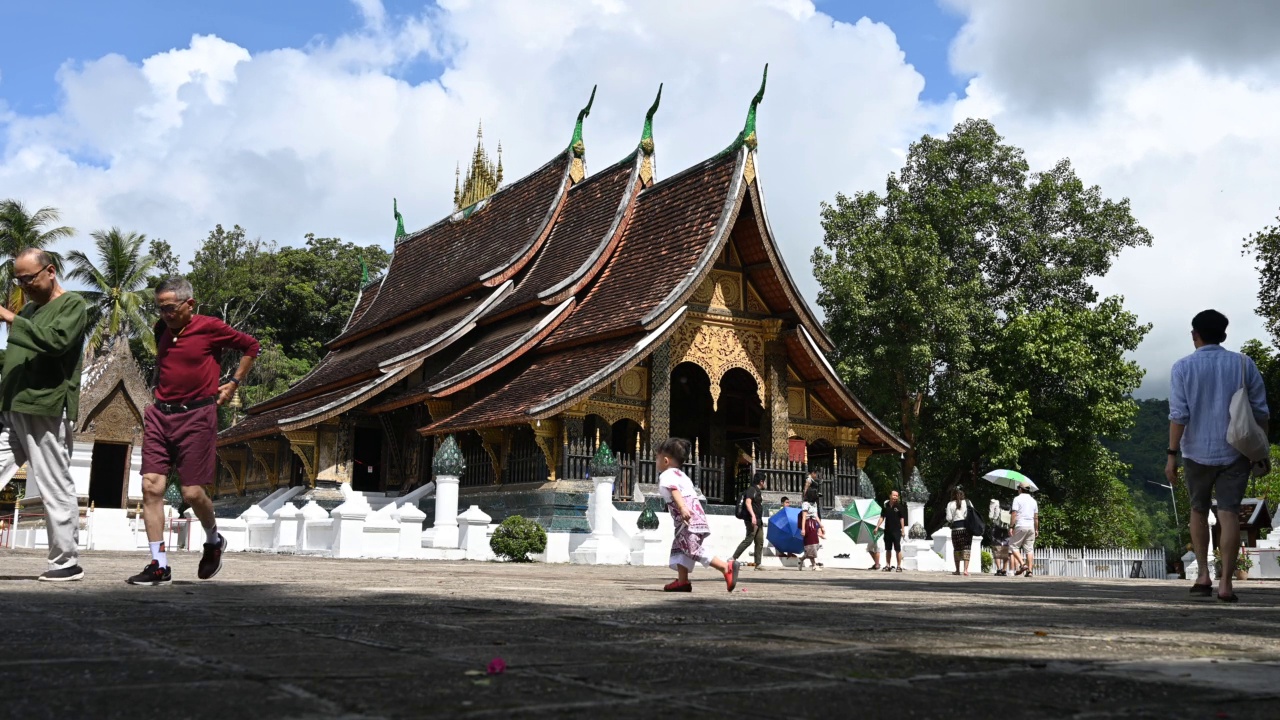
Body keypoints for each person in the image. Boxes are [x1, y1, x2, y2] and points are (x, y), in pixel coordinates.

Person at [128, 276, 260, 586]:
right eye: (160, 309)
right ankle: (159, 564)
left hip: (197, 417)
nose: (165, 315)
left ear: (190, 304)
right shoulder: (162, 330)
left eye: (171, 308)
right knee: (151, 487)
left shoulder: (210, 327)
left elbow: (251, 346)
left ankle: (213, 540)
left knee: (191, 492)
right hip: (160, 416)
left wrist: (234, 382)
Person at [1167, 309, 1270, 603]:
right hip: (1236, 451)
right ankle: (1226, 584)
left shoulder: (1182, 367)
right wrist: (1258, 450)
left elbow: (1179, 415)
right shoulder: (1242, 364)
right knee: (1229, 514)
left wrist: (1171, 455)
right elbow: (1261, 412)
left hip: (1196, 451)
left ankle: (1203, 575)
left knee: (1199, 511)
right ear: (1223, 335)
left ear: (1194, 335)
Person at [0, 249, 89, 581]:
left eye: (28, 279)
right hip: (13, 406)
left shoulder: (72, 305)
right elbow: (16, 357)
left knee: (54, 483)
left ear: (50, 272)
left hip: (44, 405)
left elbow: (57, 341)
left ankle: (66, 562)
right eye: (18, 280)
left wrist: (11, 318)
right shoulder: (32, 310)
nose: (24, 286)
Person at [656, 437, 739, 593]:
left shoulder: (666, 475)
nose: (656, 462)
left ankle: (725, 567)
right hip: (694, 518)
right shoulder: (682, 476)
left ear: (666, 460)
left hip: (687, 518)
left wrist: (682, 508)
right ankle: (682, 581)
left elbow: (674, 491)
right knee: (680, 547)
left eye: (657, 458)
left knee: (692, 549)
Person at [733, 472, 767, 571]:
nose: (764, 483)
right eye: (764, 481)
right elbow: (748, 503)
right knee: (748, 539)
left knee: (759, 541)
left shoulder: (757, 491)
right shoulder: (752, 490)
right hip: (752, 519)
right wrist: (753, 516)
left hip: (758, 520)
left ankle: (758, 563)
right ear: (761, 481)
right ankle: (733, 558)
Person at [1010, 481, 1039, 577]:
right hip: (1031, 526)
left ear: (1020, 489)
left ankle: (1022, 564)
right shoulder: (1033, 501)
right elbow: (1036, 517)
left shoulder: (1017, 499)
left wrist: (1011, 526)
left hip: (1021, 525)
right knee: (1029, 549)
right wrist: (1036, 529)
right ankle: (1029, 571)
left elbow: (1014, 514)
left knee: (1013, 546)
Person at [877, 489, 908, 572]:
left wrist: (903, 530)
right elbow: (882, 517)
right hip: (887, 530)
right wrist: (877, 527)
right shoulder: (885, 506)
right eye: (894, 495)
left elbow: (902, 518)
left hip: (897, 530)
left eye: (897, 496)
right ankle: (887, 565)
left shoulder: (899, 506)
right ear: (890, 496)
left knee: (897, 548)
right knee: (888, 549)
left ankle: (899, 566)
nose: (895, 497)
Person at [946, 487, 972, 576]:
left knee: (957, 549)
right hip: (966, 529)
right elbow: (971, 514)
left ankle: (957, 570)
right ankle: (965, 570)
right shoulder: (968, 502)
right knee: (966, 548)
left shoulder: (950, 504)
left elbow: (949, 518)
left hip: (955, 529)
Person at [798, 494, 825, 571]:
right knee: (810, 545)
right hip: (807, 524)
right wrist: (803, 529)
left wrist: (821, 526)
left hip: (813, 524)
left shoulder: (815, 504)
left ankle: (801, 560)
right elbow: (804, 517)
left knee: (815, 544)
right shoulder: (805, 504)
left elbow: (816, 515)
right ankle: (814, 565)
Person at [989, 499, 1012, 577]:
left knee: (997, 548)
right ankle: (1004, 570)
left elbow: (990, 516)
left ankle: (998, 569)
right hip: (1006, 528)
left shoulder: (995, 504)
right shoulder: (1010, 506)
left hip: (996, 527)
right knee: (1005, 548)